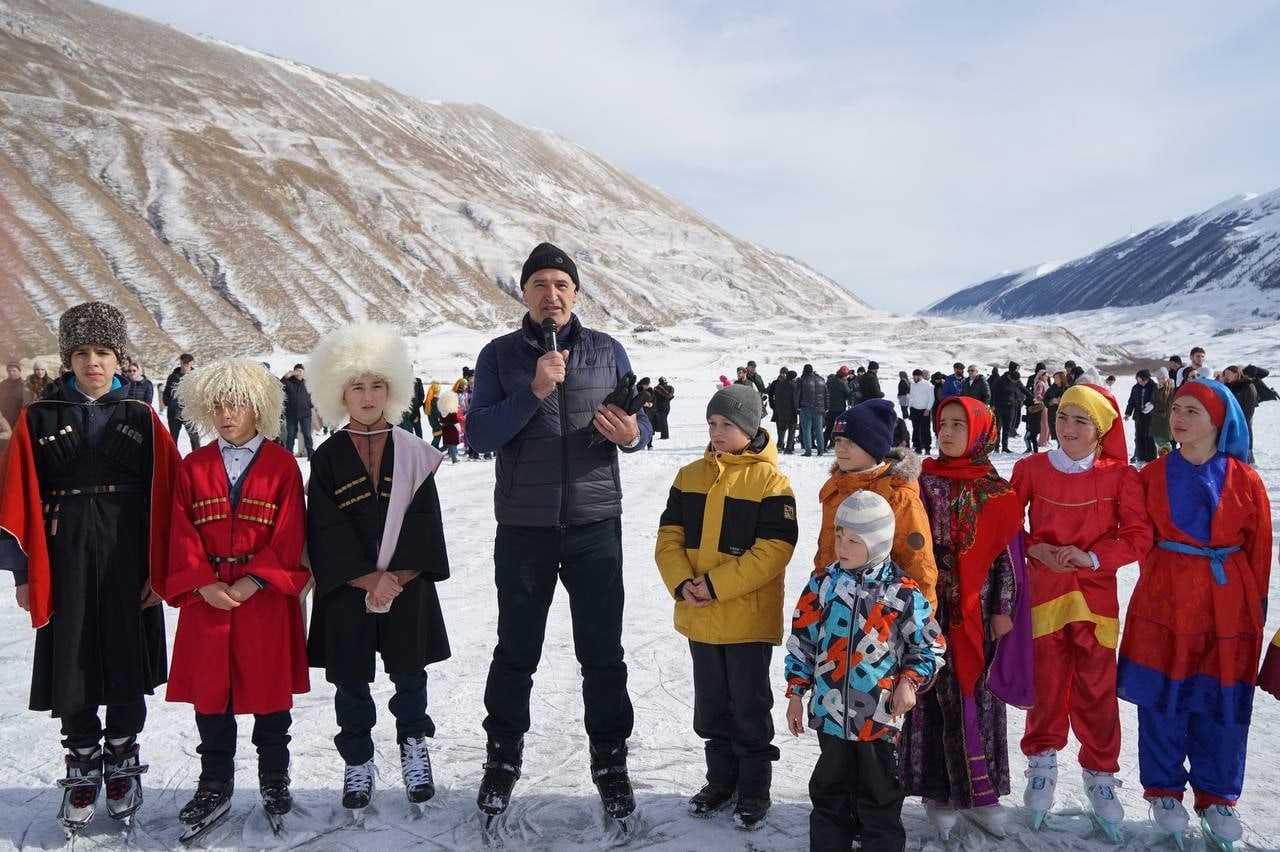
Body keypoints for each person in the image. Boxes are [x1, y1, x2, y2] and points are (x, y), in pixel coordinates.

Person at [463, 243, 651, 825]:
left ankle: (610, 761)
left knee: (602, 653)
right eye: (539, 283)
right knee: (516, 651)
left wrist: (631, 435)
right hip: (525, 528)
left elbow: (638, 422)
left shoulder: (606, 351)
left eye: (561, 284)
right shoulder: (499, 356)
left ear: (575, 293)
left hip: (596, 525)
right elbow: (478, 435)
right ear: (524, 293)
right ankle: (502, 759)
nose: (551, 294)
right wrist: (535, 391)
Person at [0, 302, 180, 836]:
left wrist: (160, 568)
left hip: (130, 552)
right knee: (72, 650)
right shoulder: (40, 416)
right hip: (63, 551)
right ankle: (81, 761)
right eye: (82, 353)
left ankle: (122, 754)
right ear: (68, 359)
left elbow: (168, 497)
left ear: (118, 357)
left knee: (125, 648)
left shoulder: (141, 416)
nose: (93, 362)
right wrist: (23, 574)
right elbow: (15, 502)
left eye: (102, 352)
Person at [304, 323, 452, 818]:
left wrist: (399, 576)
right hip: (349, 588)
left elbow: (425, 520)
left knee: (409, 673)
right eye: (357, 386)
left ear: (392, 389)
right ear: (338, 392)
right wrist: (366, 578)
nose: (368, 396)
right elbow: (323, 528)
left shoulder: (413, 450)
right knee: (350, 681)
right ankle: (358, 760)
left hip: (406, 587)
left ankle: (414, 747)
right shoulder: (325, 459)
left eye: (377, 385)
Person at [1117, 379, 1271, 850]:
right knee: (1162, 695)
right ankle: (1164, 789)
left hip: (1228, 604)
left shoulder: (1246, 480)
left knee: (1222, 697)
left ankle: (1218, 793)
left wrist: (1255, 611)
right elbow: (1142, 538)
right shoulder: (1152, 474)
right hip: (1164, 597)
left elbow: (1260, 549)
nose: (1177, 417)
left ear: (1218, 422)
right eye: (1176, 408)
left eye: (1191, 411)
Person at [163, 359, 309, 838]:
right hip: (208, 597)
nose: (227, 414)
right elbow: (180, 529)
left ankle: (273, 776)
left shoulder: (282, 464)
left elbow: (291, 532)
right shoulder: (193, 465)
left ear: (259, 407)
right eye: (219, 405)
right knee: (212, 695)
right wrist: (203, 581)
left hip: (262, 597)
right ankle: (214, 781)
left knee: (269, 694)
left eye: (238, 404)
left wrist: (255, 581)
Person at [1010, 384, 1152, 837]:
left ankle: (1100, 773)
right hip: (1045, 593)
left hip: (1095, 596)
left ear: (1101, 429)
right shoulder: (1031, 467)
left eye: (1081, 420)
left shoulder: (1120, 476)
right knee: (1047, 680)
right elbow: (1010, 526)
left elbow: (1136, 536)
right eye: (1063, 416)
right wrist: (1038, 549)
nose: (1068, 428)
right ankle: (1042, 762)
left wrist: (1092, 557)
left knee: (1096, 685)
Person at [655, 384, 798, 831]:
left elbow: (775, 549)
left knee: (749, 706)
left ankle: (754, 786)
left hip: (746, 619)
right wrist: (682, 582)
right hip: (700, 616)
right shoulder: (689, 475)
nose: (717, 432)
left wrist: (715, 585)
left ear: (750, 428)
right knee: (712, 706)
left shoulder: (771, 482)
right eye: (712, 424)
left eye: (728, 425)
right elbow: (669, 538)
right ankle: (720, 780)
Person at [785, 491, 945, 852]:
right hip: (830, 714)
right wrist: (796, 693)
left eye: (854, 540)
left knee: (880, 795)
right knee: (830, 792)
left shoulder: (902, 592)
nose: (842, 545)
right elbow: (802, 642)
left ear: (877, 543)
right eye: (839, 535)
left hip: (878, 717)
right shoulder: (823, 584)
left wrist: (908, 682)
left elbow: (930, 645)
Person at [899, 396, 1028, 840]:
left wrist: (1003, 609)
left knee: (977, 698)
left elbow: (1009, 558)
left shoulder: (997, 491)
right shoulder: (921, 482)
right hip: (928, 608)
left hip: (977, 610)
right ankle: (938, 792)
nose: (947, 433)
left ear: (980, 433)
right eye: (942, 424)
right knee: (931, 695)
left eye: (958, 425)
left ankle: (983, 790)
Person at [814, 399, 937, 614]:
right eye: (838, 440)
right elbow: (825, 554)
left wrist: (920, 624)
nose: (840, 448)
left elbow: (918, 565)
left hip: (880, 620)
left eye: (850, 442)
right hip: (834, 612)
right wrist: (816, 602)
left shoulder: (898, 497)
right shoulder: (836, 489)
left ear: (873, 446)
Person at [162, 354, 202, 452]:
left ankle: (196, 459)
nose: (185, 365)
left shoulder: (196, 377)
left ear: (191, 363)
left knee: (194, 438)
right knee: (173, 439)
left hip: (190, 413)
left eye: (187, 363)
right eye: (183, 363)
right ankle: (174, 461)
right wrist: (169, 403)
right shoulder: (172, 377)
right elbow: (166, 392)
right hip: (174, 413)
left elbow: (200, 393)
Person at [1220, 365, 1258, 464]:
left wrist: (1243, 421)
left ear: (1236, 374)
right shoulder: (1228, 386)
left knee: (1245, 447)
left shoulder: (1247, 386)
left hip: (1243, 422)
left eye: (1228, 373)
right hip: (1230, 422)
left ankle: (1249, 464)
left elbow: (1249, 407)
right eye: (1224, 374)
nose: (1226, 376)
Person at [282, 364, 314, 460]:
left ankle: (311, 454)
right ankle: (289, 455)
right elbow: (279, 387)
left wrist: (311, 405)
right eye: (296, 371)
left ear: (304, 372)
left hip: (305, 414)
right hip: (291, 413)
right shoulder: (288, 382)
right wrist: (284, 378)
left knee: (307, 435)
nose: (298, 373)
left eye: (300, 371)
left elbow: (313, 395)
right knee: (291, 435)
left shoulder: (308, 383)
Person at [1125, 369, 1156, 463]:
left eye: (1143, 380)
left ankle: (1151, 458)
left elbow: (1156, 399)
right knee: (1139, 436)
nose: (1141, 382)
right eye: (1139, 380)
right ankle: (1140, 457)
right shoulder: (1135, 388)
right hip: (1138, 415)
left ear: (1147, 379)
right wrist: (1128, 413)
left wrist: (1152, 404)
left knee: (1149, 436)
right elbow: (1131, 401)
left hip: (1150, 416)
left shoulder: (1154, 386)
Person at [797, 364, 828, 457]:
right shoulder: (821, 380)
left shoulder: (802, 380)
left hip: (805, 408)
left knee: (806, 430)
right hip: (819, 409)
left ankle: (808, 451)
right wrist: (826, 407)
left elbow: (797, 395)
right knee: (819, 430)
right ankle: (820, 450)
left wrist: (797, 407)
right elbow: (826, 395)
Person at [767, 368, 795, 453]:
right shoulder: (776, 383)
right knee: (780, 428)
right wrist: (772, 405)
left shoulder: (789, 383)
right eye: (782, 373)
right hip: (778, 409)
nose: (783, 375)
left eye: (785, 373)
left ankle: (788, 445)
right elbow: (770, 394)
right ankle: (781, 444)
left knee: (786, 428)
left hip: (784, 408)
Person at [823, 366, 853, 449]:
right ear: (843, 375)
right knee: (839, 430)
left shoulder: (829, 381)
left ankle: (823, 445)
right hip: (840, 410)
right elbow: (848, 394)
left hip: (829, 409)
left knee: (828, 429)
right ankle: (837, 446)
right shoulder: (842, 383)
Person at [1149, 367, 1175, 457]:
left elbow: (1170, 404)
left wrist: (1159, 408)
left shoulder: (1171, 388)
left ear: (1166, 377)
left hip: (1165, 418)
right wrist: (1151, 405)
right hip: (1157, 419)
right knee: (1158, 441)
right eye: (1159, 378)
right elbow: (1154, 399)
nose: (1161, 380)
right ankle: (1163, 459)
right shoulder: (1157, 388)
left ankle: (1167, 459)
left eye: (1162, 378)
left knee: (1164, 442)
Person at [908, 369, 934, 455]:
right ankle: (918, 447)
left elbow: (931, 398)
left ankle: (927, 448)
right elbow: (911, 396)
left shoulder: (928, 385)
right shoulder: (912, 385)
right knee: (916, 429)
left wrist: (928, 409)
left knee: (925, 430)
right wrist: (910, 406)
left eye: (916, 376)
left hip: (925, 410)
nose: (914, 378)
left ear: (920, 376)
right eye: (913, 376)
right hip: (914, 409)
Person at [2, 361, 27, 430]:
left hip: (19, 418)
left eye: (14, 371)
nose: (11, 373)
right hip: (4, 420)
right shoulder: (2, 385)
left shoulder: (25, 385)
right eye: (9, 371)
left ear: (19, 371)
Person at [1044, 371, 1067, 442]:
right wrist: (1051, 402)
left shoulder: (1067, 389)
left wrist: (1060, 401)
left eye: (1057, 378)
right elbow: (1045, 400)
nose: (1055, 379)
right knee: (1056, 433)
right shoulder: (1051, 389)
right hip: (1053, 414)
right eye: (1054, 378)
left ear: (1062, 378)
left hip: (1064, 414)